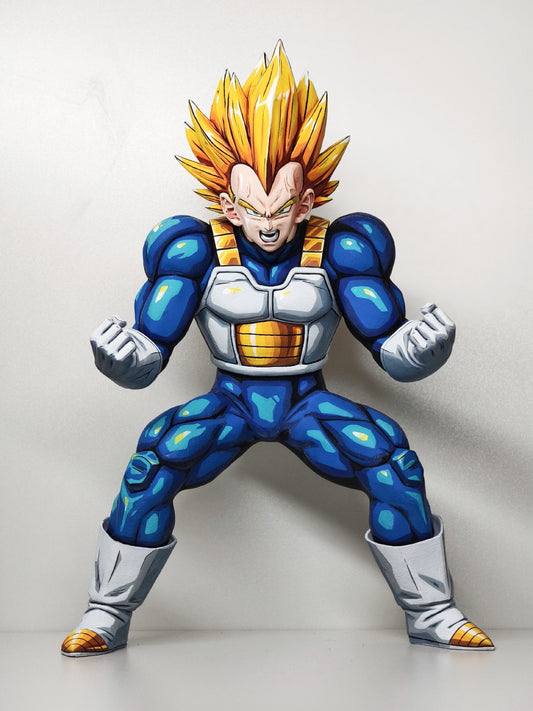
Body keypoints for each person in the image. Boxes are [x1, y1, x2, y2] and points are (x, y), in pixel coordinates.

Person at [62, 42, 493, 656]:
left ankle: (433, 612)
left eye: (283, 206)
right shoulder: (192, 249)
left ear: (308, 200)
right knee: (151, 465)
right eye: (254, 208)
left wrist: (422, 351)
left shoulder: (344, 247)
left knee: (393, 465)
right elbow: (150, 348)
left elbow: (389, 346)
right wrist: (124, 361)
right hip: (231, 400)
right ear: (227, 203)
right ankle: (106, 614)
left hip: (305, 399)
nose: (268, 223)